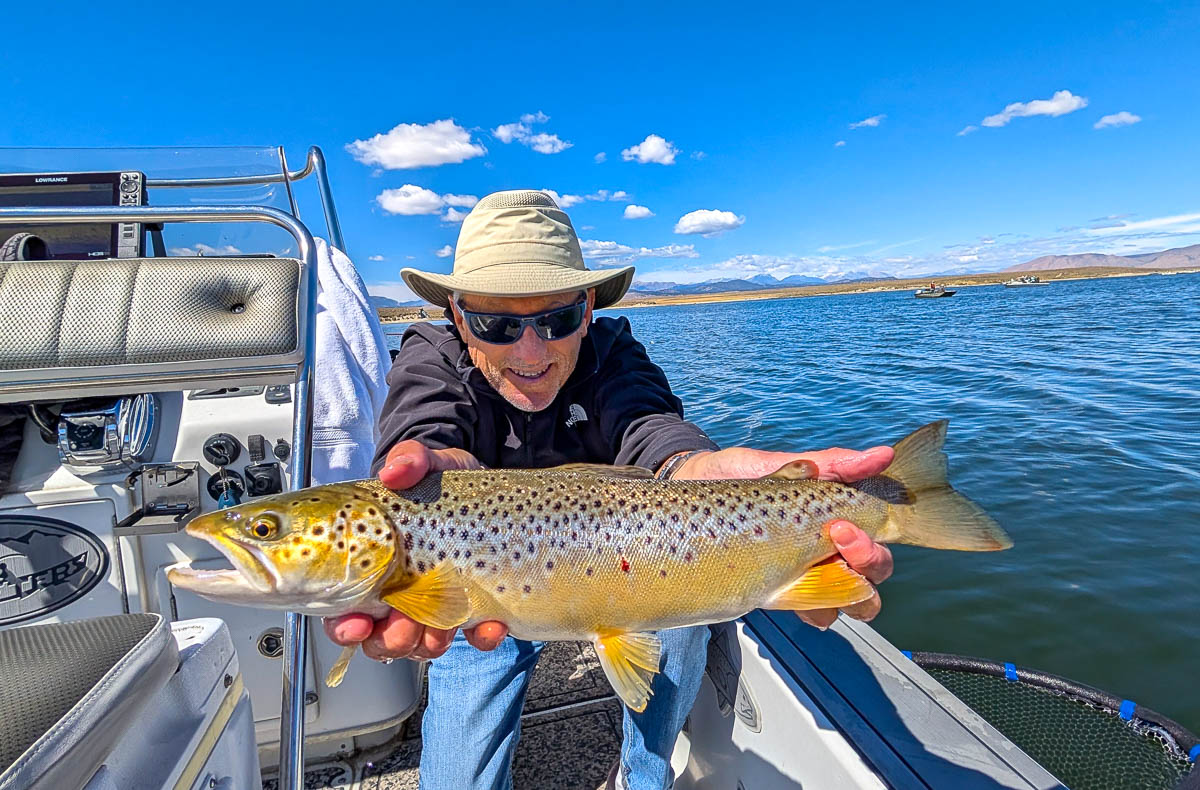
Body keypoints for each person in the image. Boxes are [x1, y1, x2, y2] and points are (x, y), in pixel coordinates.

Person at [325, 190, 895, 790]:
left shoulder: (614, 351)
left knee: (681, 624)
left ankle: (643, 777)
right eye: (497, 324)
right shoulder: (430, 357)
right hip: (477, 591)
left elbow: (651, 429)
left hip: (633, 568)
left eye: (556, 319)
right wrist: (433, 469)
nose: (530, 351)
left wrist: (695, 466)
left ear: (588, 307)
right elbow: (423, 427)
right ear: (460, 316)